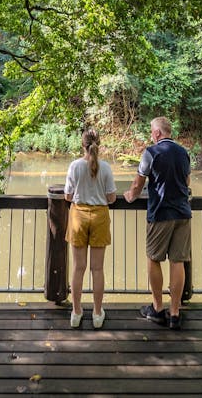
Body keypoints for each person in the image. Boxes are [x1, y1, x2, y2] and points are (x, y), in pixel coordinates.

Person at [123, 116, 190, 330]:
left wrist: (130, 195)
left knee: (154, 258)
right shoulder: (183, 152)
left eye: (152, 131)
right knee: (177, 261)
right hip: (182, 212)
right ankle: (175, 313)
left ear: (158, 133)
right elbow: (187, 182)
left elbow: (138, 182)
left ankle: (158, 308)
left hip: (160, 213)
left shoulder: (151, 153)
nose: (151, 135)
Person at [63, 127, 116, 329]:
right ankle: (96, 313)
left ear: (82, 145)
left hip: (78, 217)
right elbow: (111, 198)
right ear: (98, 145)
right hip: (100, 217)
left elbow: (68, 196)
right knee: (97, 269)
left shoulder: (74, 166)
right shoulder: (106, 168)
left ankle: (76, 313)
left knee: (78, 268)